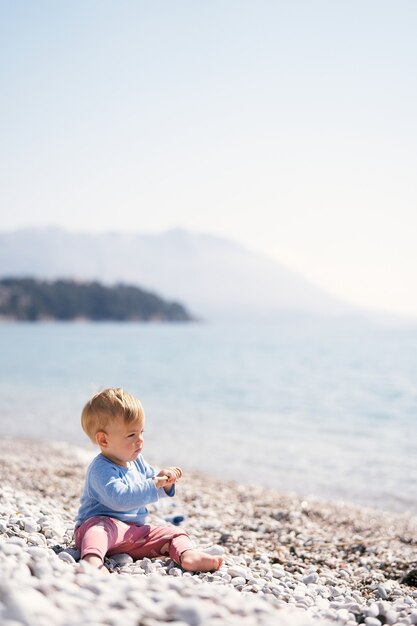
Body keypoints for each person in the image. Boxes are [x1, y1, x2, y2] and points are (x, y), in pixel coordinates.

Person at [74, 387, 223, 574]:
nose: (140, 440)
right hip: (103, 528)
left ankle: (187, 555)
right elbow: (119, 498)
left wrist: (165, 481)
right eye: (131, 435)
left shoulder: (137, 461)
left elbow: (152, 485)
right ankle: (93, 559)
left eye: (141, 432)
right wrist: (154, 483)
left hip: (133, 533)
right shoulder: (100, 469)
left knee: (173, 533)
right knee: (99, 529)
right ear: (103, 440)